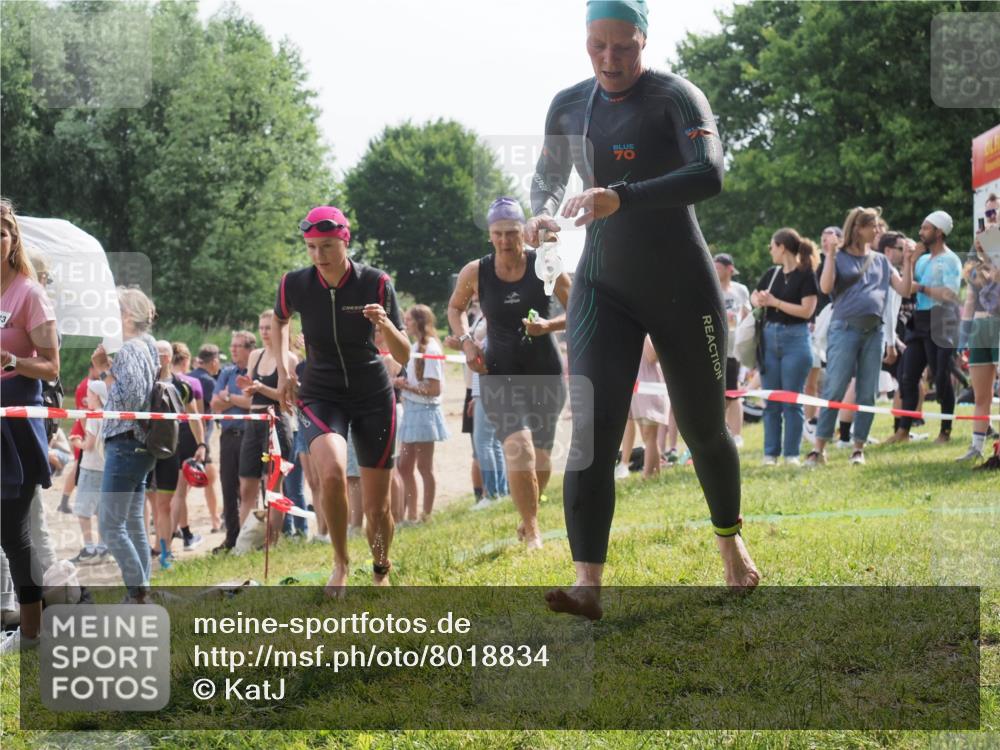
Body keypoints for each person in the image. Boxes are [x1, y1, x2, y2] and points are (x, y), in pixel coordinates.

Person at [523, 2, 759, 617]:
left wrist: (621, 197)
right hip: (603, 287)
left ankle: (730, 542)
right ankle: (587, 583)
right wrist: (541, 212)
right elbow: (547, 176)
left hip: (682, 284)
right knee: (592, 435)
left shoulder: (675, 97)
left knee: (704, 429)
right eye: (597, 45)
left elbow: (709, 173)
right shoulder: (568, 105)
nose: (610, 59)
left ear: (644, 40)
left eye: (623, 46)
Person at [274, 205, 410, 595]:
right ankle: (341, 562)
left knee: (377, 508)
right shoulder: (295, 283)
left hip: (372, 394)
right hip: (321, 391)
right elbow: (280, 319)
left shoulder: (376, 282)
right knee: (331, 474)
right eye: (312, 247)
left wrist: (384, 324)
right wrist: (284, 370)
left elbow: (403, 354)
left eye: (328, 246)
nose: (319, 255)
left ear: (345, 242)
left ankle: (381, 566)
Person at [448, 198, 570, 550]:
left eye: (512, 233)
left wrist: (548, 326)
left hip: (545, 371)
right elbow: (455, 308)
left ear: (523, 232)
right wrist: (467, 343)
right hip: (498, 372)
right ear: (490, 235)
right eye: (498, 234)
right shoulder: (476, 271)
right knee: (520, 448)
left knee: (541, 457)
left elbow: (578, 306)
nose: (505, 240)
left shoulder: (544, 263)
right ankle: (532, 531)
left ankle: (527, 516)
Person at [805, 208, 915, 467]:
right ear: (857, 228)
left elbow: (904, 289)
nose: (878, 231)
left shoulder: (881, 260)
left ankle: (858, 448)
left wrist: (909, 262)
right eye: (873, 226)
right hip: (845, 329)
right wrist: (831, 255)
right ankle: (818, 449)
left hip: (874, 332)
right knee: (835, 388)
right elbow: (825, 287)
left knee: (867, 393)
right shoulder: (839, 256)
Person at [0, 198, 60, 653]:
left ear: (12, 240)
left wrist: (13, 360)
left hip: (15, 427)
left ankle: (33, 634)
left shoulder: (29, 294)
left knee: (13, 534)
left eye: (0, 232)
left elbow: (52, 368)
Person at [93, 287, 159, 603]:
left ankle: (138, 593)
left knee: (110, 526)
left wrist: (104, 369)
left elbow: (129, 399)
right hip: (141, 444)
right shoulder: (148, 345)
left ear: (127, 316)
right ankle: (141, 591)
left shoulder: (130, 348)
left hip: (125, 443)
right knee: (133, 523)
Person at [886, 211, 963, 444]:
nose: (920, 232)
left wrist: (922, 288)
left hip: (942, 320)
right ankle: (903, 431)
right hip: (919, 321)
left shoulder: (951, 260)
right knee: (907, 376)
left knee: (941, 376)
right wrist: (909, 261)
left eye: (926, 228)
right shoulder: (921, 260)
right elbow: (906, 287)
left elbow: (950, 294)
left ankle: (945, 431)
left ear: (939, 232)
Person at [752, 229, 819, 466]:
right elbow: (754, 296)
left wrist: (775, 302)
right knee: (771, 401)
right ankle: (770, 454)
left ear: (782, 247)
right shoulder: (772, 274)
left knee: (792, 400)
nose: (770, 251)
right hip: (769, 338)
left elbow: (807, 311)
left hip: (796, 339)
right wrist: (759, 299)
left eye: (772, 246)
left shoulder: (806, 275)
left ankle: (791, 454)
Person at [238, 311, 297, 548]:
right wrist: (248, 388)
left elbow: (287, 399)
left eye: (268, 328)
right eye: (261, 327)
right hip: (253, 420)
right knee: (246, 485)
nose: (264, 332)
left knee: (274, 486)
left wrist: (260, 387)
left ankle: (271, 543)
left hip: (277, 421)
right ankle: (243, 544)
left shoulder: (290, 358)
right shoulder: (255, 355)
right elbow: (249, 392)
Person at [396, 305, 450, 522]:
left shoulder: (432, 349)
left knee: (424, 467)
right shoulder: (414, 346)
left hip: (425, 412)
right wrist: (405, 384)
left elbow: (434, 389)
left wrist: (406, 386)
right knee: (404, 466)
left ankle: (426, 514)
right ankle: (411, 515)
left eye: (409, 320)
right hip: (412, 411)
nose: (406, 323)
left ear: (419, 322)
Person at [957, 195, 999, 462]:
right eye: (987, 213)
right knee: (981, 393)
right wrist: (963, 336)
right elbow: (972, 295)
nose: (990, 217)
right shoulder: (978, 251)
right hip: (981, 327)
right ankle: (976, 447)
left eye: (994, 212)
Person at [210, 330, 254, 553]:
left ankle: (251, 536)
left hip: (249, 436)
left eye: (238, 346)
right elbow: (215, 404)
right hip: (227, 437)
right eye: (232, 345)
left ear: (249, 349)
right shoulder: (227, 373)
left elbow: (251, 403)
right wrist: (237, 400)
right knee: (228, 488)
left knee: (249, 489)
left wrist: (228, 397)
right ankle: (232, 537)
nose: (233, 349)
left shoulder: (255, 371)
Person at [169, 341, 207, 549]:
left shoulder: (162, 380)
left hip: (167, 433)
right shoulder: (192, 382)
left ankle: (185, 532)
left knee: (174, 490)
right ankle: (173, 536)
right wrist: (202, 443)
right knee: (180, 492)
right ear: (185, 361)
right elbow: (199, 415)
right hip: (188, 433)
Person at [69, 379, 109, 562]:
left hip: (91, 467)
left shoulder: (94, 416)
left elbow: (89, 445)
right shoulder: (108, 414)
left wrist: (76, 442)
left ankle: (89, 548)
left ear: (97, 396)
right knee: (100, 510)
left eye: (89, 394)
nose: (86, 398)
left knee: (83, 511)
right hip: (103, 468)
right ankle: (103, 548)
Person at [714, 253, 751, 446]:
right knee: (721, 393)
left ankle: (736, 435)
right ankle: (720, 431)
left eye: (718, 267)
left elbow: (748, 315)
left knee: (734, 391)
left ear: (730, 269)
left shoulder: (740, 289)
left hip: (735, 348)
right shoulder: (711, 288)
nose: (715, 270)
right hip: (716, 347)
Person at [189, 344, 222, 531]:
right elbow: (217, 406)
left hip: (187, 433)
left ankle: (215, 519)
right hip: (202, 437)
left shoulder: (188, 376)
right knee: (207, 478)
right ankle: (215, 520)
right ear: (214, 361)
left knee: (196, 476)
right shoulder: (208, 381)